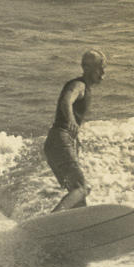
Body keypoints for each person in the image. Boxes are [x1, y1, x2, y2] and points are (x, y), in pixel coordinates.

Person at [44, 49, 107, 211]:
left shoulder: (84, 88)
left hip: (56, 142)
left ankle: (71, 231)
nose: (103, 72)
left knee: (78, 198)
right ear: (87, 68)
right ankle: (51, 220)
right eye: (100, 68)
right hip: (60, 139)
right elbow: (66, 101)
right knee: (81, 188)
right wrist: (71, 121)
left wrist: (75, 139)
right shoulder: (79, 85)